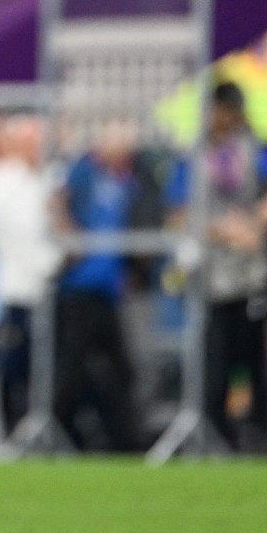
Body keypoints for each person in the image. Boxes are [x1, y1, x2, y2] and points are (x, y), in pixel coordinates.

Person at [170, 82, 267, 448]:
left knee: (254, 356)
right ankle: (215, 434)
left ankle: (260, 434)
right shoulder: (192, 155)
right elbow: (178, 212)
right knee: (215, 359)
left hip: (251, 274)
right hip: (210, 276)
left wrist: (255, 223)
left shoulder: (250, 150)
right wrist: (223, 230)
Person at [55, 120, 157, 451]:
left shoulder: (130, 179)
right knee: (72, 372)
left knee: (121, 370)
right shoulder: (85, 172)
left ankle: (124, 440)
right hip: (80, 286)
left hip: (109, 289)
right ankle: (62, 435)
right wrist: (71, 240)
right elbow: (58, 201)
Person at [0, 114, 61, 435]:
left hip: (46, 287)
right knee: (8, 367)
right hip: (8, 289)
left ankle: (38, 429)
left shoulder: (51, 180)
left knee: (41, 367)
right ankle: (7, 432)